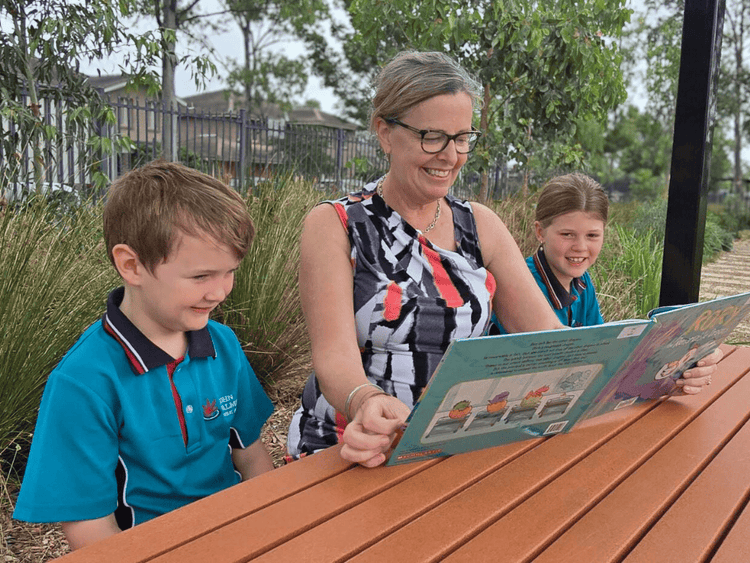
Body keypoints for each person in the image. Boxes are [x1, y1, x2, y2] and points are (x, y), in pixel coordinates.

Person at [13, 161, 275, 550]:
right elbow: (89, 529)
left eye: (230, 272)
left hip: (238, 535)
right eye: (201, 276)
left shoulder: (223, 344)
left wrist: (275, 533)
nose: (220, 292)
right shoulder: (84, 382)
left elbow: (251, 457)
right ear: (131, 265)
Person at [490, 173, 608, 332]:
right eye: (567, 234)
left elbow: (598, 341)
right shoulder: (520, 284)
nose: (580, 247)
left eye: (592, 235)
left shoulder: (583, 281)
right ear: (540, 232)